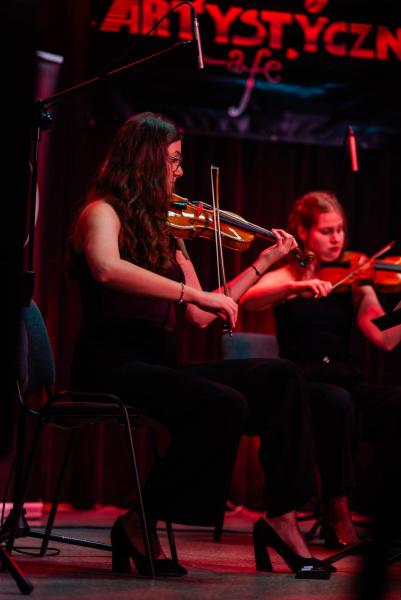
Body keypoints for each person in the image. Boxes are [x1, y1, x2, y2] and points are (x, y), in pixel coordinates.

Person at [68, 113, 334, 578]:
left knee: (282, 376)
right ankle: (140, 520)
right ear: (147, 162)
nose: (181, 171)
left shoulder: (169, 230)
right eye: (173, 161)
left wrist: (262, 261)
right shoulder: (101, 212)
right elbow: (107, 268)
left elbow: (202, 312)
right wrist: (192, 292)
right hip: (110, 364)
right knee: (222, 404)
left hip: (160, 365)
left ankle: (282, 518)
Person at [241, 189, 401, 550]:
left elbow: (385, 336)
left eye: (340, 230)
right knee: (336, 402)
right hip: (303, 386)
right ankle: (338, 510)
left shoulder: (357, 274)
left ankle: (389, 509)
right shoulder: (287, 276)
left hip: (346, 380)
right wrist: (298, 287)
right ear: (303, 232)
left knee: (394, 402)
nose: (337, 239)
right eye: (327, 231)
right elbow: (250, 299)